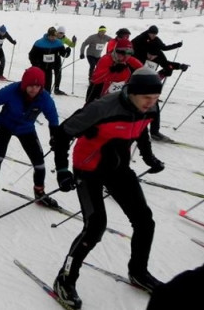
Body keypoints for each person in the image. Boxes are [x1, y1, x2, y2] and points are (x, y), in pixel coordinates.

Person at [51, 68, 167, 308]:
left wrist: (149, 158)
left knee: (145, 221)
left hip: (118, 168)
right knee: (95, 225)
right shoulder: (102, 108)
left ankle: (138, 271)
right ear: (132, 92)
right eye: (147, 97)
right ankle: (65, 279)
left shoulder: (150, 108)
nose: (152, 102)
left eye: (156, 98)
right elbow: (62, 135)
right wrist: (62, 170)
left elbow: (142, 130)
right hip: (88, 167)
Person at [0, 66, 59, 207]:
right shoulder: (12, 90)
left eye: (37, 86)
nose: (33, 89)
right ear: (24, 84)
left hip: (26, 129)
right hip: (6, 125)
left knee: (40, 164)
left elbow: (53, 120)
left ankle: (39, 193)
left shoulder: (45, 98)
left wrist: (55, 138)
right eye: (30, 85)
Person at [85, 38, 143, 103]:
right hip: (98, 94)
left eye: (129, 52)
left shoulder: (128, 60)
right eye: (120, 52)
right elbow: (95, 79)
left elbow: (143, 69)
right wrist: (112, 70)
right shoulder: (106, 59)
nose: (124, 56)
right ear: (115, 51)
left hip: (115, 98)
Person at [28, 27, 67, 93]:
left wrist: (67, 52)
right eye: (52, 36)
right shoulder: (39, 42)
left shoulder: (58, 43)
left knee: (48, 86)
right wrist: (35, 64)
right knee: (38, 85)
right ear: (48, 35)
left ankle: (46, 99)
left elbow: (63, 54)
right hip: (40, 68)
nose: (53, 38)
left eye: (55, 36)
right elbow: (31, 55)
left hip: (49, 68)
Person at [52, 26, 76, 95]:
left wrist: (74, 41)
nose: (61, 34)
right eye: (60, 33)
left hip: (57, 57)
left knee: (58, 73)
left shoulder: (64, 38)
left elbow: (72, 45)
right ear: (57, 32)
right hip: (50, 56)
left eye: (62, 33)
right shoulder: (53, 37)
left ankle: (56, 88)